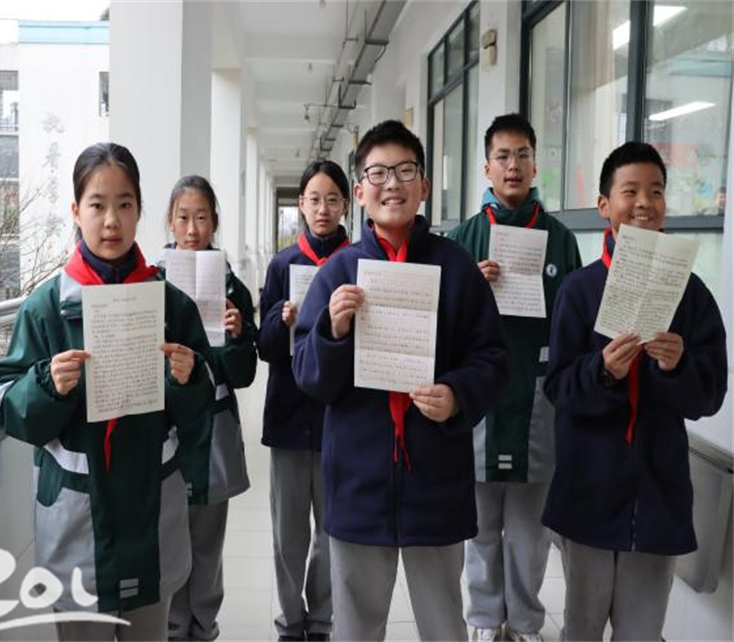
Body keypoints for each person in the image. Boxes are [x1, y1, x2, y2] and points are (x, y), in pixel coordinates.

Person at [292, 120, 509, 641]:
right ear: (360, 192)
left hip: (436, 478)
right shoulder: (338, 272)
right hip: (359, 479)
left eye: (406, 171)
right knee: (356, 625)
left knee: (443, 623)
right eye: (378, 173)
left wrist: (457, 395)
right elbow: (308, 374)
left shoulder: (456, 268)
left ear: (425, 186)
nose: (392, 183)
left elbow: (493, 357)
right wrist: (334, 332)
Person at [0, 143, 214, 641]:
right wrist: (47, 386)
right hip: (78, 525)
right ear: (76, 212)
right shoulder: (45, 309)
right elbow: (10, 408)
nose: (111, 220)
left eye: (124, 204)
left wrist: (187, 380)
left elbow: (200, 412)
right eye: (97, 205)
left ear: (139, 211)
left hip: (151, 519)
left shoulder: (172, 306)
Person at [543, 141, 728, 641]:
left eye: (657, 191)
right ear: (605, 205)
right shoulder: (579, 290)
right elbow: (559, 387)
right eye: (631, 191)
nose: (645, 202)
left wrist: (677, 365)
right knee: (581, 627)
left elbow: (709, 397)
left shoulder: (692, 294)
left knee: (642, 632)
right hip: (588, 490)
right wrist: (602, 371)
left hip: (658, 495)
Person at [447, 113, 581, 642]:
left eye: (523, 154)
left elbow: (575, 319)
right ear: (487, 167)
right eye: (503, 156)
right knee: (480, 525)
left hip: (536, 395)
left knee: (530, 529)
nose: (513, 165)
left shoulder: (560, 239)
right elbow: (442, 326)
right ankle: (484, 619)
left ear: (535, 164)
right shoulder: (463, 238)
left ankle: (524, 621)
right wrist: (470, 288)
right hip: (480, 396)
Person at [158, 175, 257, 642]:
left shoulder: (233, 287)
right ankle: (173, 627)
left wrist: (237, 336)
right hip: (167, 430)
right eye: (183, 217)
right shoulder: (151, 282)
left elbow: (244, 374)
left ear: (215, 221)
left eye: (201, 217)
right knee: (170, 535)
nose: (193, 229)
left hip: (214, 427)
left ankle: (204, 626)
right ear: (169, 221)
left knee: (208, 540)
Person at [257, 160, 351, 641]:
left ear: (346, 205)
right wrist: (281, 319)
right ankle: (290, 621)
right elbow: (264, 347)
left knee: (332, 532)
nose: (322, 209)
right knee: (287, 534)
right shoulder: (282, 265)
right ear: (300, 205)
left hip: (341, 417)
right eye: (314, 199)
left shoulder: (357, 263)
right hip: (290, 416)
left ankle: (321, 620)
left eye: (332, 199)